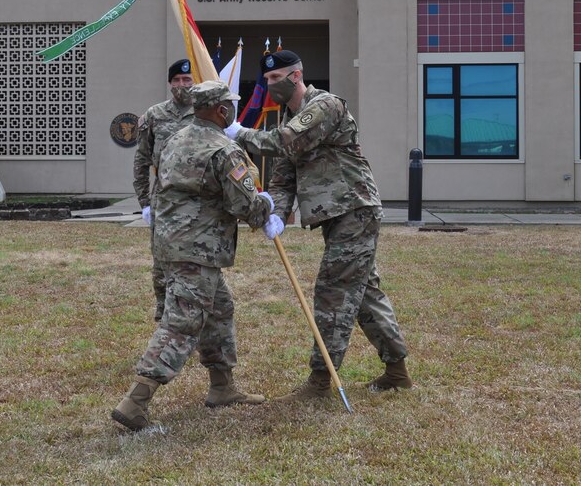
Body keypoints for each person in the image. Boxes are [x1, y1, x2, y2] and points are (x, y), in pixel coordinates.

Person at [226, 50, 412, 401]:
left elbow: (282, 143)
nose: (269, 86)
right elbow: (283, 175)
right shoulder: (288, 115)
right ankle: (397, 370)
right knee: (363, 293)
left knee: (334, 290)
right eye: (266, 80)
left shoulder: (324, 106)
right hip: (335, 214)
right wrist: (276, 213)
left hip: (355, 209)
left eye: (274, 79)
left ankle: (320, 380)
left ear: (295, 76)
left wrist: (236, 132)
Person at [112, 81, 275, 432]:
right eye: (230, 104)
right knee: (182, 323)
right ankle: (136, 401)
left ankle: (222, 387)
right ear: (221, 110)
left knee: (219, 310)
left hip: (171, 244)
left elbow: (158, 183)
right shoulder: (223, 150)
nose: (232, 109)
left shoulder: (175, 139)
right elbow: (244, 205)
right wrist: (267, 209)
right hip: (198, 249)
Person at [132, 59, 196, 321]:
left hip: (198, 200)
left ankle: (194, 315)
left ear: (195, 82)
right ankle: (164, 316)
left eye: (187, 80)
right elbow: (141, 159)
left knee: (195, 263)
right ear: (170, 84)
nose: (182, 85)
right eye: (177, 81)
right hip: (164, 201)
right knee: (161, 265)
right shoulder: (154, 115)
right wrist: (145, 202)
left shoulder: (206, 113)